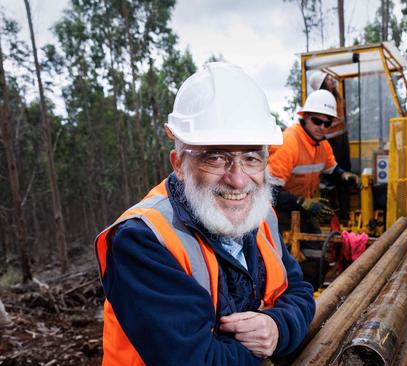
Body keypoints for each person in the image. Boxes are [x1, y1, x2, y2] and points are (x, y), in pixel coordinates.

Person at [95, 62, 315, 365]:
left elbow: (300, 290)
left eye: (251, 158)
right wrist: (268, 343)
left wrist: (277, 327)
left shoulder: (261, 216)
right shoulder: (141, 240)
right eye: (216, 158)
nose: (238, 180)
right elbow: (199, 359)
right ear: (179, 164)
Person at [268, 89, 359, 286]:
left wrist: (345, 175)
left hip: (303, 207)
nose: (322, 127)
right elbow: (269, 193)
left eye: (327, 123)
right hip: (279, 212)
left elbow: (332, 169)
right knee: (285, 258)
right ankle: (287, 294)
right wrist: (304, 203)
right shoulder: (289, 143)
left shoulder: (322, 145)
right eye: (317, 121)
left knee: (318, 253)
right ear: (305, 117)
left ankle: (310, 292)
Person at [309, 71, 352, 221]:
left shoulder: (337, 97)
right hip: (332, 142)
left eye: (330, 77)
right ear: (322, 84)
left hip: (341, 139)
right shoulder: (324, 101)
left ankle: (344, 213)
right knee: (334, 177)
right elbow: (334, 120)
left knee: (344, 175)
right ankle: (335, 214)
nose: (331, 79)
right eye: (327, 79)